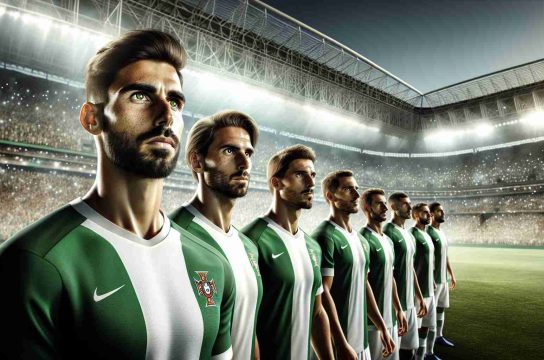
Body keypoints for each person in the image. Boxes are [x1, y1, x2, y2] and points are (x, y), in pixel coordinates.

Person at [0, 30, 235, 359]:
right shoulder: (34, 263)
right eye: (140, 96)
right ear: (92, 118)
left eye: (176, 101)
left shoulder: (210, 263)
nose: (166, 115)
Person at [169, 110, 262, 360]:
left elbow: (248, 327)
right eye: (229, 151)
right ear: (197, 161)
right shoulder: (170, 239)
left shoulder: (249, 247)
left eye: (248, 153)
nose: (244, 163)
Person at [241, 144, 333, 360]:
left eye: (312, 175)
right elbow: (243, 326)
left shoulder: (312, 246)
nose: (311, 183)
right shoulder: (251, 241)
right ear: (276, 182)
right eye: (301, 174)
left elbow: (317, 312)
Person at [312, 170, 395, 360]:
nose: (357, 195)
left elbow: (364, 284)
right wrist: (341, 343)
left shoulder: (360, 239)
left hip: (361, 341)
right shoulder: (324, 236)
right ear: (330, 196)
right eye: (348, 189)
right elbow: (323, 293)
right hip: (338, 344)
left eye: (356, 189)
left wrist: (381, 325)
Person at [359, 188, 408, 360]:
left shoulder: (387, 240)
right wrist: (380, 326)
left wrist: (399, 309)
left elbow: (391, 278)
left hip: (391, 319)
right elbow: (363, 285)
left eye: (384, 203)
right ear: (367, 208)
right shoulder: (362, 239)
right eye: (379, 204)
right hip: (372, 324)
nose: (385, 208)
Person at [383, 192, 427, 360]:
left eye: (410, 204)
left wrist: (419, 296)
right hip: (395, 306)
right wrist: (396, 307)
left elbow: (411, 268)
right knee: (393, 353)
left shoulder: (408, 234)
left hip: (410, 304)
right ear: (393, 207)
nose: (409, 207)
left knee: (410, 350)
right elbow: (388, 274)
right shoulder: (387, 232)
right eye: (405, 204)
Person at [409, 203, 439, 360]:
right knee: (414, 331)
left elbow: (429, 261)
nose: (429, 215)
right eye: (425, 213)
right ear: (415, 215)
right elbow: (410, 266)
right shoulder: (412, 234)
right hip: (417, 292)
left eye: (429, 213)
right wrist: (418, 293)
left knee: (427, 325)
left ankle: (422, 356)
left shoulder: (427, 234)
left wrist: (432, 280)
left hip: (429, 290)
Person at [426, 202, 457, 350]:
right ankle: (427, 350)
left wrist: (451, 274)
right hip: (434, 281)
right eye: (439, 211)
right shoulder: (428, 233)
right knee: (430, 316)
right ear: (431, 214)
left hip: (443, 279)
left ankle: (439, 336)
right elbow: (426, 259)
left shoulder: (441, 233)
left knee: (441, 309)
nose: (443, 213)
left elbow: (446, 256)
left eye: (443, 211)